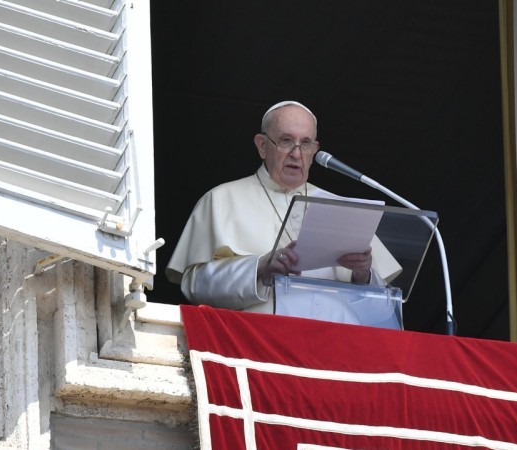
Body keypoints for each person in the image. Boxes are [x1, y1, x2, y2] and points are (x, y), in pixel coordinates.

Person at [166, 101, 401, 322]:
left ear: (315, 150)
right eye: (286, 141)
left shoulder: (342, 208)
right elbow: (194, 286)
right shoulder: (220, 199)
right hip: (259, 342)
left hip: (336, 344)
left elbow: (384, 313)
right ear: (262, 145)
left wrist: (363, 275)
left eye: (305, 143)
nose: (296, 154)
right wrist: (259, 267)